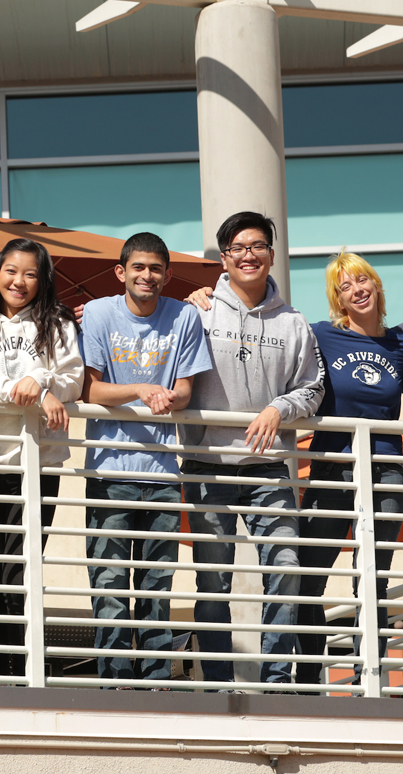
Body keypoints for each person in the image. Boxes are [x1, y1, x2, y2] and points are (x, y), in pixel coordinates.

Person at [180, 211, 324, 688]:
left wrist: (279, 408)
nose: (248, 255)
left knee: (286, 569)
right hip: (208, 466)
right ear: (224, 258)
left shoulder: (294, 323)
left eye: (257, 246)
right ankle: (220, 683)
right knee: (213, 582)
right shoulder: (197, 311)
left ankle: (276, 681)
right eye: (237, 248)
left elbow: (314, 387)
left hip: (269, 470)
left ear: (272, 254)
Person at [81, 232, 211, 687]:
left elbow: (185, 390)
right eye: (138, 267)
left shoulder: (184, 316)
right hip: (107, 471)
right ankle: (115, 685)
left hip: (161, 474)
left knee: (157, 589)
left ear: (167, 275)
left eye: (156, 269)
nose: (147, 276)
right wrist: (141, 389)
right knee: (110, 587)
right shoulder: (98, 313)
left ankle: (155, 683)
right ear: (121, 272)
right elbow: (91, 390)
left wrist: (169, 396)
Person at [0, 238, 83, 678]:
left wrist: (42, 381)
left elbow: (74, 379)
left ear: (42, 280)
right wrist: (22, 391)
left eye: (30, 273)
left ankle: (27, 671)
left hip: (39, 465)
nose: (20, 281)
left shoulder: (60, 323)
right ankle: (0, 675)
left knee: (24, 574)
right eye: (11, 271)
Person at [296, 251, 403, 689]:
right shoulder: (321, 335)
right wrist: (207, 296)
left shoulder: (399, 342)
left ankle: (368, 682)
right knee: (306, 576)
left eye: (363, 280)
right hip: (332, 469)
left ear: (376, 286)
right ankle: (306, 680)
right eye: (345, 286)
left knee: (372, 582)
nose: (357, 289)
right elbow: (268, 329)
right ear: (337, 299)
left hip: (386, 471)